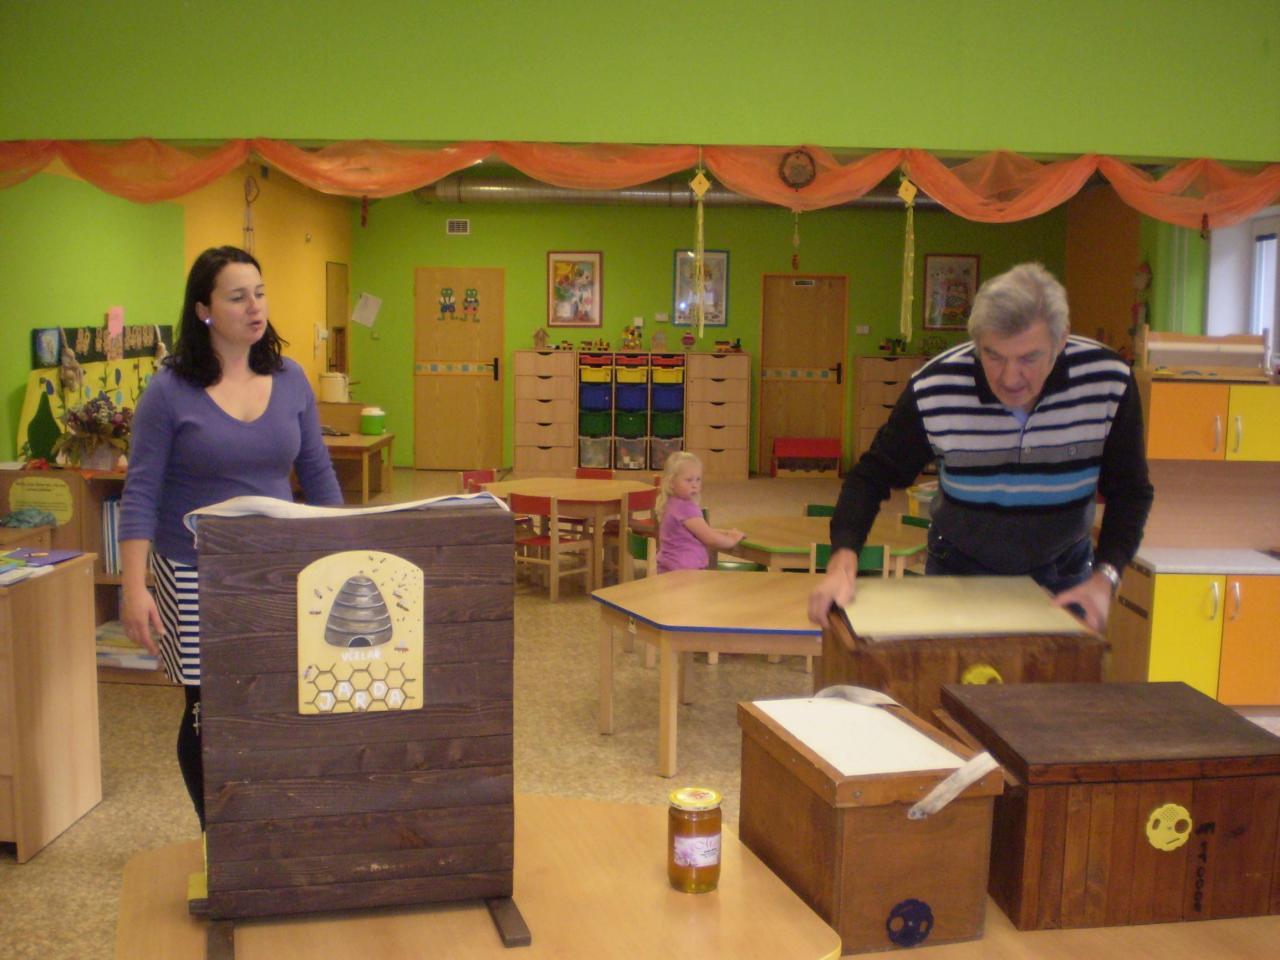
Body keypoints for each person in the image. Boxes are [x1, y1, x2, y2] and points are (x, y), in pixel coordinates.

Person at [118, 245, 343, 828]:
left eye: (260, 293)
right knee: (208, 708)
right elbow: (141, 492)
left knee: (274, 696)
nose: (254, 307)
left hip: (275, 566)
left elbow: (318, 474)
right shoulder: (169, 390)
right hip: (191, 568)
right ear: (204, 310)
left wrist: (342, 553)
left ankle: (263, 822)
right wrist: (133, 588)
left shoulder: (290, 379)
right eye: (238, 297)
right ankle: (214, 831)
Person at [808, 262, 1153, 632]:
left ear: (1061, 340)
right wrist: (842, 560)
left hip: (1064, 572)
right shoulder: (935, 388)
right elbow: (871, 477)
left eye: (1029, 358)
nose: (1010, 377)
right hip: (959, 565)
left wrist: (1106, 576)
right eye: (993, 355)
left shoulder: (1108, 382)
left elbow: (1130, 490)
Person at [654, 451, 746, 573]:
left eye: (698, 479)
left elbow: (697, 531)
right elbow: (710, 538)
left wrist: (725, 532)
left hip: (669, 567)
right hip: (685, 570)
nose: (695, 485)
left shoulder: (672, 503)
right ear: (671, 483)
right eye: (689, 480)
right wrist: (732, 540)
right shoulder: (685, 508)